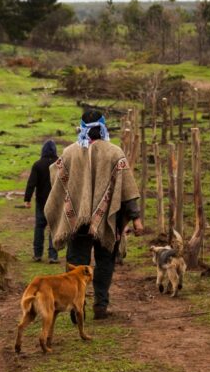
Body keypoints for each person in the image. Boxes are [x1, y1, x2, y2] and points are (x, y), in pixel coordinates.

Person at [44, 110, 143, 320]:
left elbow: (56, 177)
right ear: (103, 127)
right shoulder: (115, 153)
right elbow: (127, 190)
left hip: (77, 222)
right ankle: (101, 305)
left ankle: (75, 307)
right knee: (105, 261)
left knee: (76, 264)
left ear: (81, 127)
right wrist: (136, 219)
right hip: (107, 221)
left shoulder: (70, 152)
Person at [24, 140, 59, 263]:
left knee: (39, 227)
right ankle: (53, 256)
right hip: (56, 201)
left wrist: (27, 199)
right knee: (54, 228)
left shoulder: (37, 165)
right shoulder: (60, 163)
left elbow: (31, 183)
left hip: (41, 201)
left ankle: (37, 254)